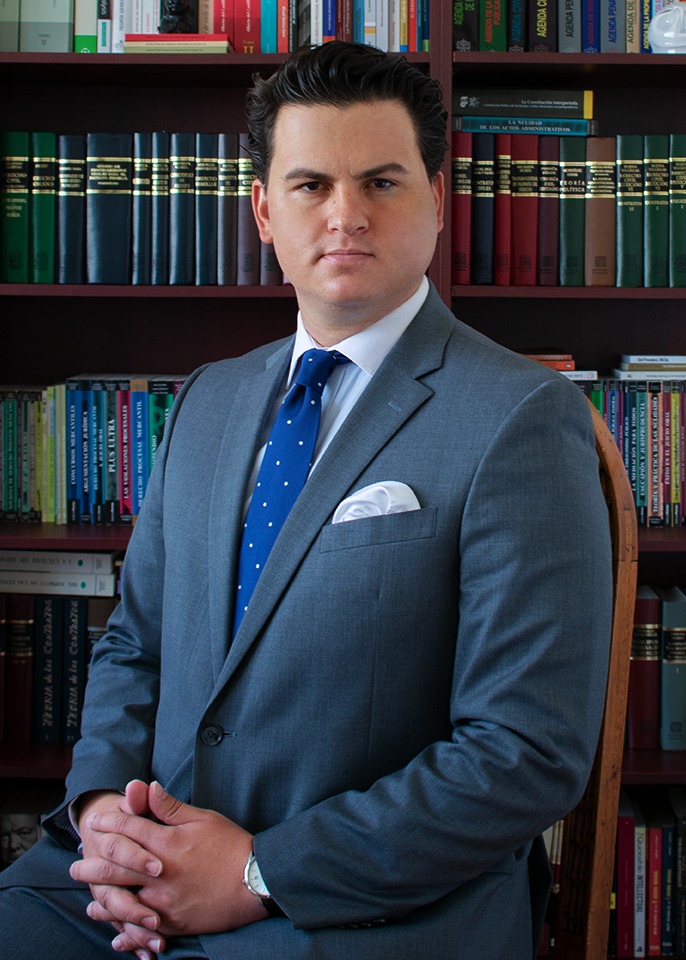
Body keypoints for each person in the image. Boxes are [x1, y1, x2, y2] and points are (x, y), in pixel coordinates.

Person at [0, 40, 613, 960]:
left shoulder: (523, 417)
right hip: (134, 867)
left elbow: (525, 752)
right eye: (311, 185)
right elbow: (137, 643)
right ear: (263, 210)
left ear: (436, 201)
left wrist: (257, 870)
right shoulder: (206, 399)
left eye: (381, 183)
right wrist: (101, 814)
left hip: (355, 906)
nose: (346, 215)